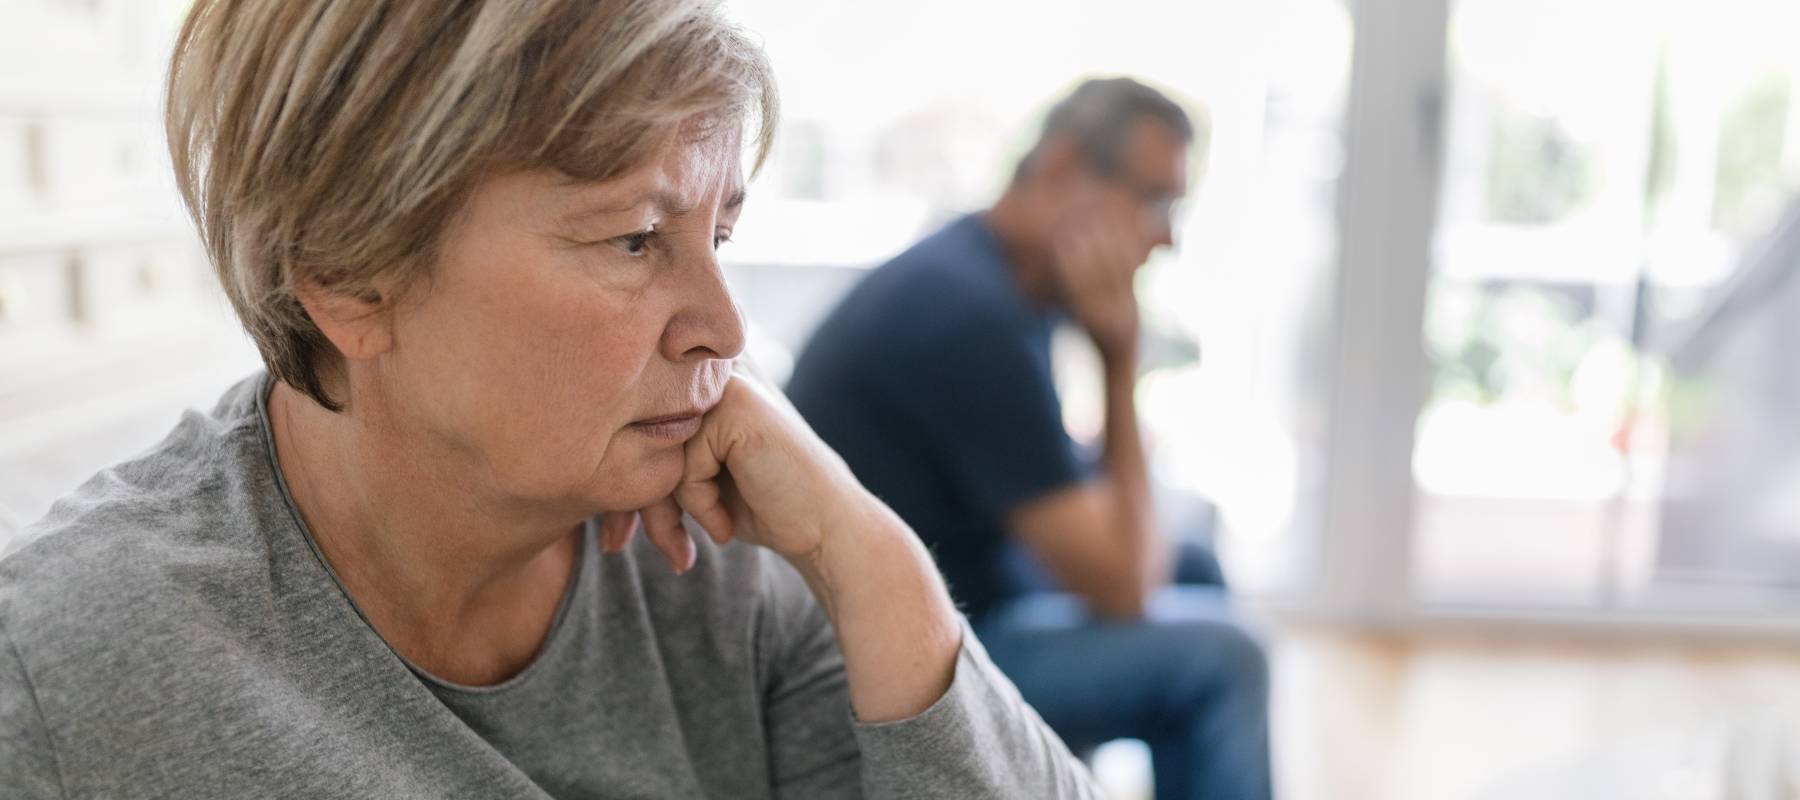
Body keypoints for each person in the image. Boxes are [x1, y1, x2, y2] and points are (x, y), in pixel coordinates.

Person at [0, 2, 1102, 797]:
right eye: (635, 237)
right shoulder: (63, 667)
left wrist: (872, 556)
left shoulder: (726, 563)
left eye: (718, 233)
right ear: (346, 274)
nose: (725, 330)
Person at [786, 78, 1272, 800]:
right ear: (1063, 166)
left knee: (1194, 561)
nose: (1166, 236)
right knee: (1226, 661)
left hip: (952, 597)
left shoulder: (991, 275)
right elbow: (1124, 590)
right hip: (885, 658)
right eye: (1154, 200)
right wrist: (1118, 364)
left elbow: (1068, 494)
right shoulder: (968, 319)